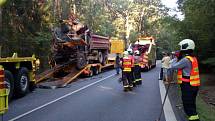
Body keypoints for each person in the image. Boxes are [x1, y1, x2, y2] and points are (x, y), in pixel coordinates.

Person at [169, 39, 200, 121]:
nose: (180, 49)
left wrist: (176, 57)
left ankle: (194, 118)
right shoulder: (193, 58)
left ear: (185, 47)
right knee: (191, 103)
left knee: (187, 104)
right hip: (194, 85)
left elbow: (173, 66)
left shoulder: (186, 60)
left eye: (180, 47)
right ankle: (194, 116)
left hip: (187, 86)